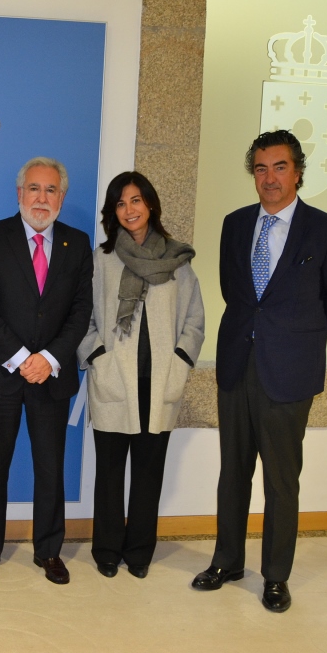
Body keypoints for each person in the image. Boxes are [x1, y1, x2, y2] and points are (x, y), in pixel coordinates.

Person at [191, 129, 327, 612]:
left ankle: (276, 576)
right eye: (260, 168)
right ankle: (227, 560)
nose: (269, 178)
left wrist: (292, 338)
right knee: (233, 473)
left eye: (279, 167)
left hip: (289, 373)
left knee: (282, 481)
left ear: (298, 171)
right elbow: (234, 291)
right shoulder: (236, 224)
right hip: (238, 364)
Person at [0, 157, 93, 585]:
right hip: (0, 372)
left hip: (51, 375)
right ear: (19, 194)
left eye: (51, 190)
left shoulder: (78, 242)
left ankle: (49, 551)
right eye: (34, 189)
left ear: (62, 197)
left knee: (50, 467)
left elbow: (80, 310)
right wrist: (21, 358)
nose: (42, 198)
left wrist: (49, 359)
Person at [77, 172, 204, 580]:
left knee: (149, 476)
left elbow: (195, 322)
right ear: (112, 212)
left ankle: (140, 552)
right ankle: (107, 549)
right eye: (120, 203)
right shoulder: (102, 259)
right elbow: (83, 317)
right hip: (114, 381)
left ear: (150, 204)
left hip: (160, 382)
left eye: (136, 200)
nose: (129, 210)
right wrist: (97, 357)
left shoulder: (178, 262)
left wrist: (181, 362)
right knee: (110, 475)